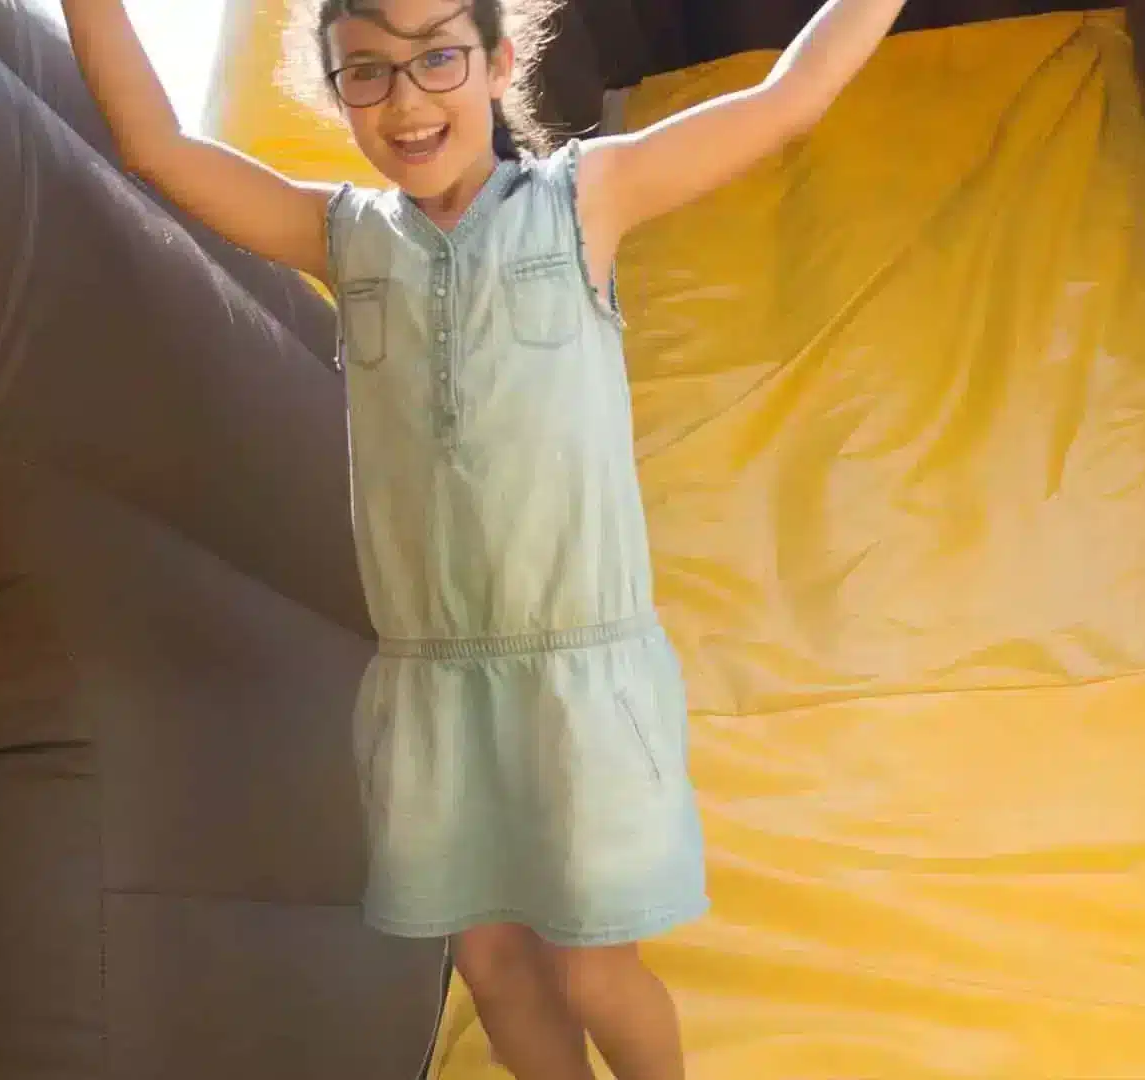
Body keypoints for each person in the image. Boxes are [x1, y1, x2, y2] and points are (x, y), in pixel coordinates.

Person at [60, 0, 908, 1076]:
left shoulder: (581, 201)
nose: (407, 100)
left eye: (437, 61)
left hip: (576, 671)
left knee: (596, 968)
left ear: (500, 63)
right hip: (436, 687)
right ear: (333, 90)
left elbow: (786, 100)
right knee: (496, 967)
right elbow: (157, 146)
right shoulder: (346, 237)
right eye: (365, 72)